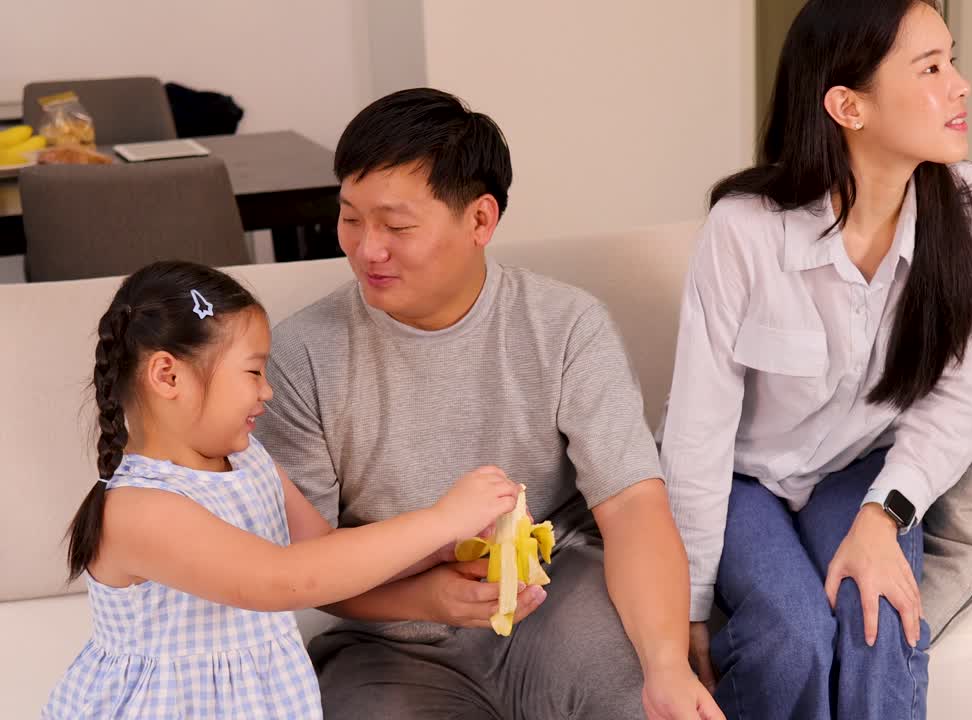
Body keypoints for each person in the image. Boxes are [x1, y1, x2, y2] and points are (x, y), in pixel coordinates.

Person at [255, 88, 721, 720]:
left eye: (396, 226)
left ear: (480, 220)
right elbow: (306, 567)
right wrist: (426, 599)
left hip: (554, 603)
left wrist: (665, 663)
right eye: (351, 218)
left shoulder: (565, 326)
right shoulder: (298, 354)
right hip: (390, 641)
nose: (367, 249)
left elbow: (634, 505)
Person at [659, 1, 972, 718]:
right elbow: (700, 427)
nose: (961, 84)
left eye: (953, 59)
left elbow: (961, 396)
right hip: (744, 479)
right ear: (848, 106)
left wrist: (884, 516)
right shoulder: (744, 231)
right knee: (792, 635)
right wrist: (689, 601)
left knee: (880, 614)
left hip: (860, 470)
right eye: (931, 68)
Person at [44, 261, 519, 719]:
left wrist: (436, 552)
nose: (267, 391)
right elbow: (283, 579)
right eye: (253, 372)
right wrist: (439, 518)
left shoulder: (250, 460)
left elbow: (323, 551)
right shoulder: (136, 510)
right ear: (168, 376)